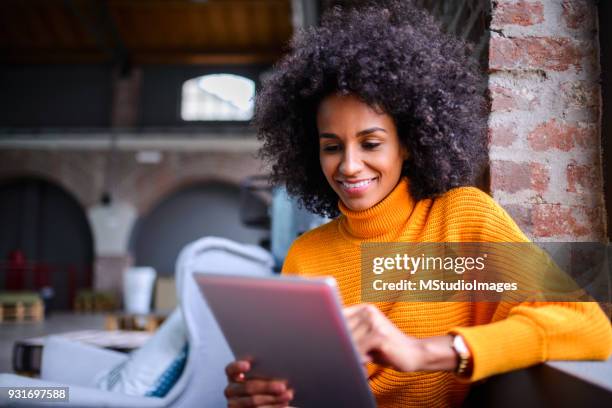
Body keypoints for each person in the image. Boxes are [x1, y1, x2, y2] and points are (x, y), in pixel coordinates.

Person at [223, 2, 612, 407]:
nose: (350, 165)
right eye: (332, 147)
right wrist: (263, 396)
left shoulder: (460, 220)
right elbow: (303, 388)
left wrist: (423, 351)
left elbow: (587, 326)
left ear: (408, 143)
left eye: (371, 143)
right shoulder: (306, 256)